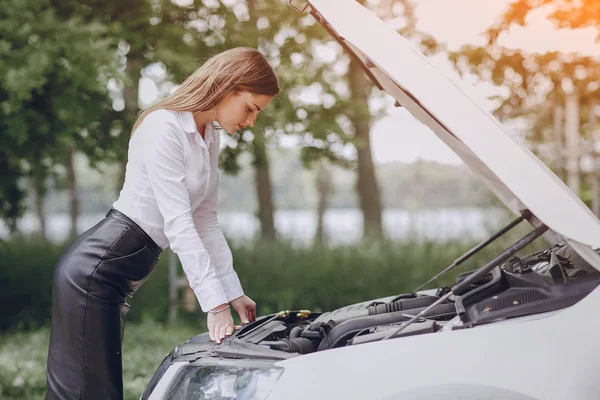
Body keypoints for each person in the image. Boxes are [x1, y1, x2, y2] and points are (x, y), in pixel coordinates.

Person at [45, 47, 279, 400]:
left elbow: (205, 220)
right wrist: (214, 307)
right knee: (89, 394)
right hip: (93, 273)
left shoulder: (208, 135)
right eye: (250, 108)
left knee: (97, 391)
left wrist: (232, 292)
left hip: (116, 277)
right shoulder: (163, 126)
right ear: (229, 87)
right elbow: (179, 223)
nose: (251, 121)